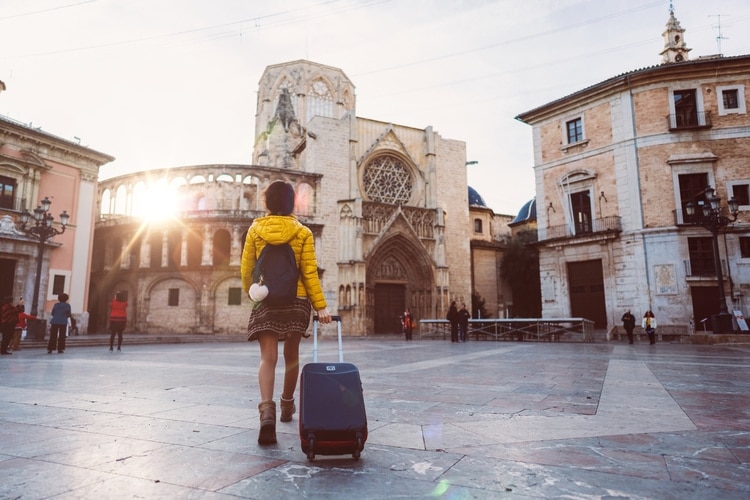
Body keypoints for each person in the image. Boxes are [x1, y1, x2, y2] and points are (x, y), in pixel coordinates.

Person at [241, 180, 331, 445]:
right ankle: (287, 405)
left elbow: (246, 269)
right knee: (291, 356)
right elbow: (309, 272)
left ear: (267, 202)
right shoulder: (302, 232)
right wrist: (320, 306)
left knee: (267, 358)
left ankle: (266, 412)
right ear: (292, 202)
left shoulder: (255, 230)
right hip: (297, 299)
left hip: (266, 298)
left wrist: (252, 292)